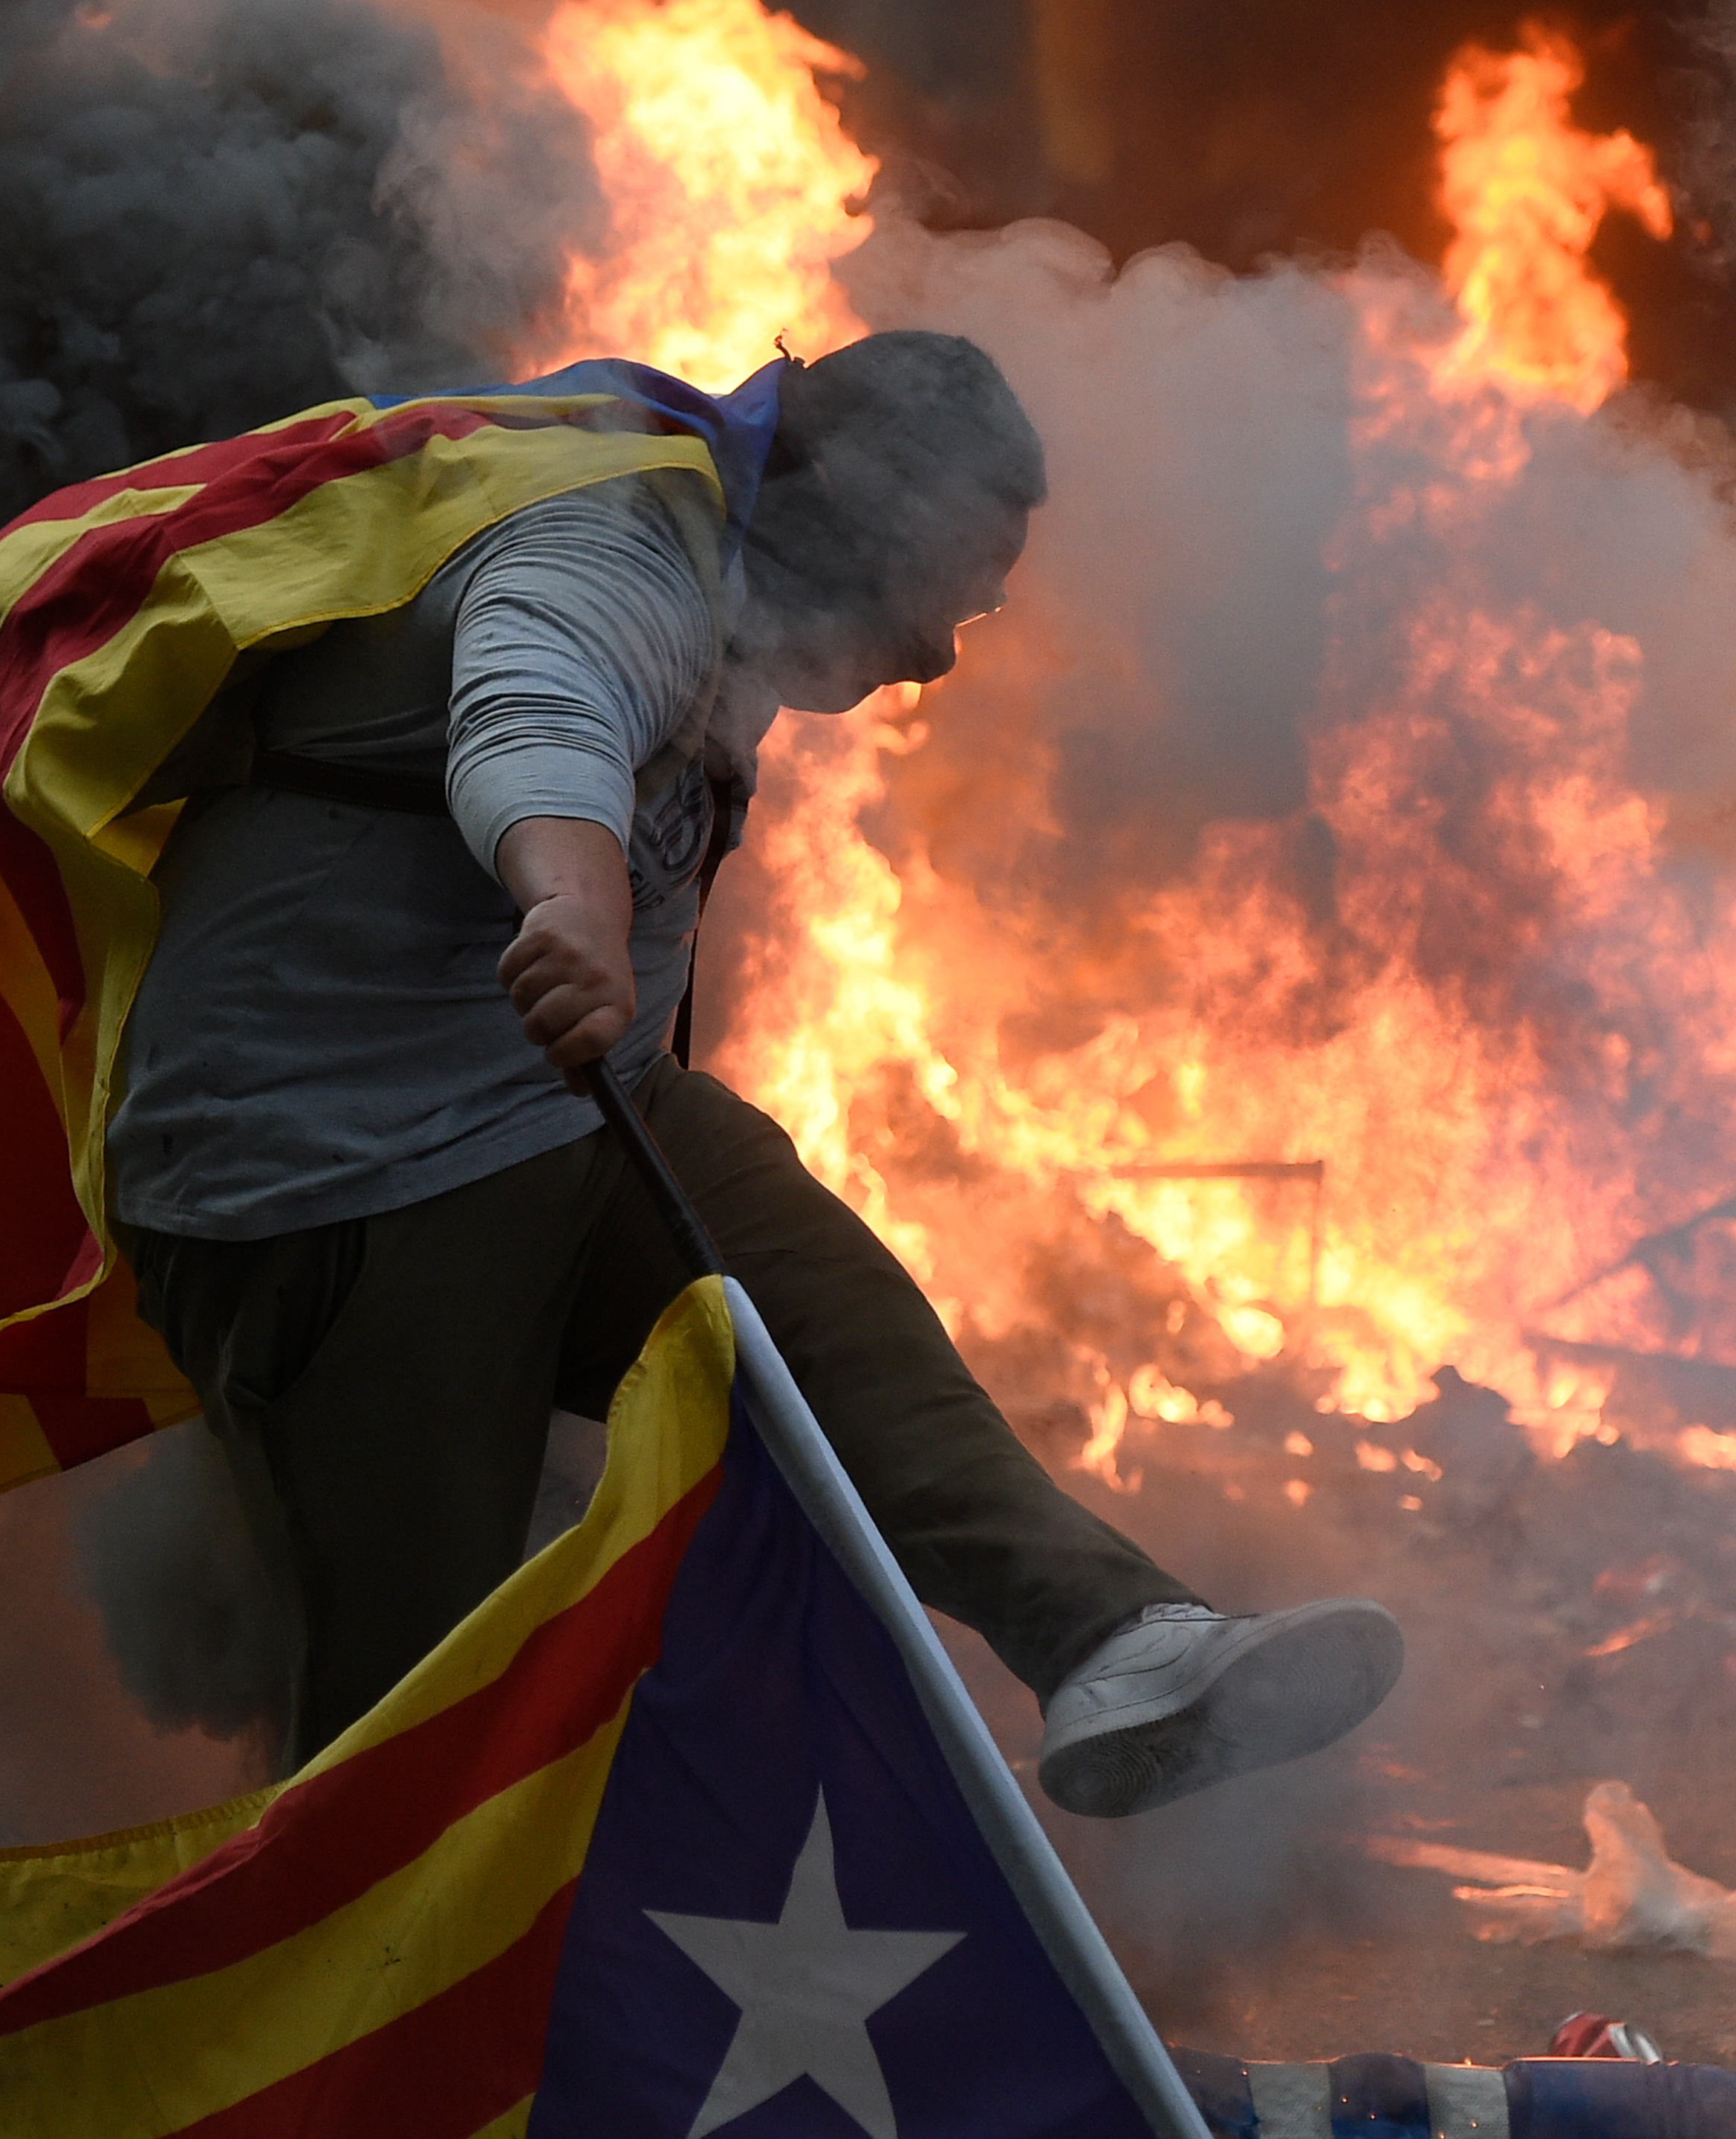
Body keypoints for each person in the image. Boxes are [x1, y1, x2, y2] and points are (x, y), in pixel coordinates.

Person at [98, 330, 1405, 1806]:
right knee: (410, 1724)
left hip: (535, 1116)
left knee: (804, 1290)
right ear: (855, 508)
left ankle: (1111, 1633)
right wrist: (572, 898)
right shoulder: (618, 546)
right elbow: (536, 705)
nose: (937, 656)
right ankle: (345, 1987)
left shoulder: (739, 603)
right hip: (334, 1169)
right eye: (948, 596)